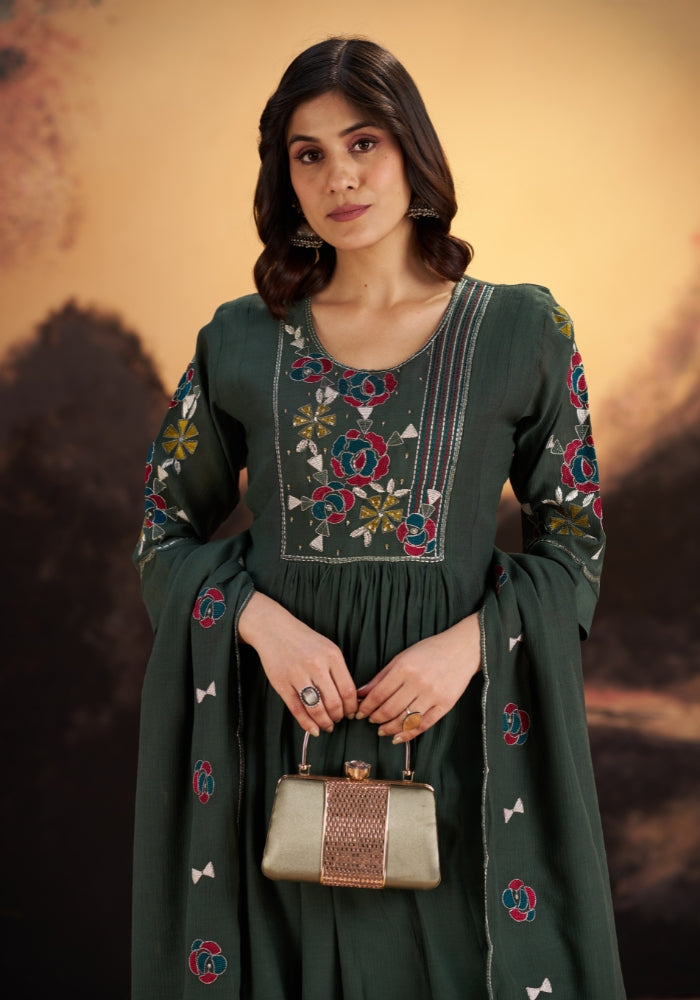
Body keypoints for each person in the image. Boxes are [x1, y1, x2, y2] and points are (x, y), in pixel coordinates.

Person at [131, 37, 625, 1000]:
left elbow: (575, 541)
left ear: (412, 149)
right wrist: (258, 623)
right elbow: (162, 529)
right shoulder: (241, 339)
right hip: (281, 743)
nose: (340, 177)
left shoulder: (522, 330)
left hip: (460, 742)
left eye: (363, 143)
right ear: (284, 178)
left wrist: (469, 647)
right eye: (308, 154)